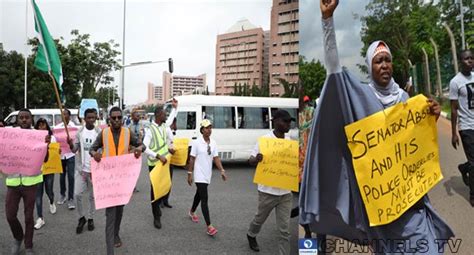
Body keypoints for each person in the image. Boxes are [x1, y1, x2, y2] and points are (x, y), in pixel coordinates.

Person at [298, 0, 453, 253]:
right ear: (370, 66)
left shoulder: (405, 100)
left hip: (412, 204)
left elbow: (417, 148)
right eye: (378, 61)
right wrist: (328, 22)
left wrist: (430, 120)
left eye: (388, 60)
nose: (384, 65)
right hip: (380, 208)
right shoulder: (360, 99)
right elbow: (335, 72)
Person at [89, 106, 142, 255]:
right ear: (109, 119)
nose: (117, 120)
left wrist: (138, 149)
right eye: (114, 118)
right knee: (110, 215)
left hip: (123, 181)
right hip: (108, 181)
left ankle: (116, 233)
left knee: (119, 211)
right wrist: (95, 154)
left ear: (122, 118)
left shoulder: (127, 132)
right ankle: (109, 250)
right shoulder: (103, 133)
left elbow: (141, 145)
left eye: (119, 117)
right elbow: (92, 149)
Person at [246, 110, 294, 254]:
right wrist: (257, 159)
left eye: (289, 122)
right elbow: (250, 160)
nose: (288, 124)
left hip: (286, 193)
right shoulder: (264, 140)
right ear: (275, 121)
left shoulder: (290, 142)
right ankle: (251, 234)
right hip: (267, 192)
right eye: (285, 121)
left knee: (284, 230)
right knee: (259, 219)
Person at [5, 109, 50, 255]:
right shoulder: (9, 135)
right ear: (17, 120)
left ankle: (28, 245)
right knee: (10, 215)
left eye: (27, 117)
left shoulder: (37, 136)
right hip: (13, 182)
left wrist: (45, 146)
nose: (24, 120)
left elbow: (45, 159)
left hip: (31, 182)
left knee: (29, 216)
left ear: (31, 119)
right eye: (21, 118)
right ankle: (18, 237)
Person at [187, 119, 227, 236]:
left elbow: (216, 158)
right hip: (199, 174)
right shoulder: (196, 143)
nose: (209, 130)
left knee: (199, 195)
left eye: (210, 127)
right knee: (204, 198)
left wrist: (222, 170)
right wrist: (189, 173)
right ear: (202, 130)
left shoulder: (213, 143)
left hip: (207, 174)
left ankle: (192, 211)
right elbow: (192, 158)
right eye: (206, 128)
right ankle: (209, 226)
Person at [143, 102, 177, 229]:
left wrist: (171, 148)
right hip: (155, 164)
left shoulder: (165, 127)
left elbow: (169, 141)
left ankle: (161, 204)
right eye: (164, 114)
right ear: (158, 115)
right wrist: (158, 156)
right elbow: (144, 148)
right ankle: (156, 216)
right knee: (155, 190)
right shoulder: (150, 130)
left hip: (165, 162)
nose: (166, 116)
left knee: (164, 185)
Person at [68, 108, 102, 234]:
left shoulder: (99, 132)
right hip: (81, 170)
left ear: (96, 118)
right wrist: (71, 145)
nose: (91, 120)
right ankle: (81, 218)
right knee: (77, 194)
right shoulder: (80, 132)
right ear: (84, 118)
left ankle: (91, 218)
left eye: (93, 117)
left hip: (95, 170)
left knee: (93, 197)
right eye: (89, 117)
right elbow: (74, 149)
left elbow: (103, 150)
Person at [449, 49, 474, 206]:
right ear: (460, 61)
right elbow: (453, 109)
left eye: (472, 58)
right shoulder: (455, 82)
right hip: (465, 126)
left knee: (472, 163)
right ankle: (472, 195)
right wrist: (453, 133)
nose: (470, 61)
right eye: (466, 59)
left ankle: (463, 167)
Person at [33, 118, 57, 230]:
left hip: (49, 170)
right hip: (38, 170)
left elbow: (55, 153)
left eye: (43, 125)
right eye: (39, 125)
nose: (41, 128)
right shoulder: (33, 139)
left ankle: (52, 201)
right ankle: (40, 218)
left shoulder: (52, 139)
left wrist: (58, 152)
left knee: (49, 191)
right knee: (38, 194)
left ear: (47, 127)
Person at [56, 108, 77, 209]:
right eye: (62, 114)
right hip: (61, 155)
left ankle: (71, 198)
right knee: (61, 176)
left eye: (65, 114)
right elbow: (55, 140)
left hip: (70, 155)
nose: (64, 116)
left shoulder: (73, 127)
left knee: (71, 177)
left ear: (69, 116)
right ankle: (62, 195)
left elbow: (76, 140)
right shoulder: (57, 127)